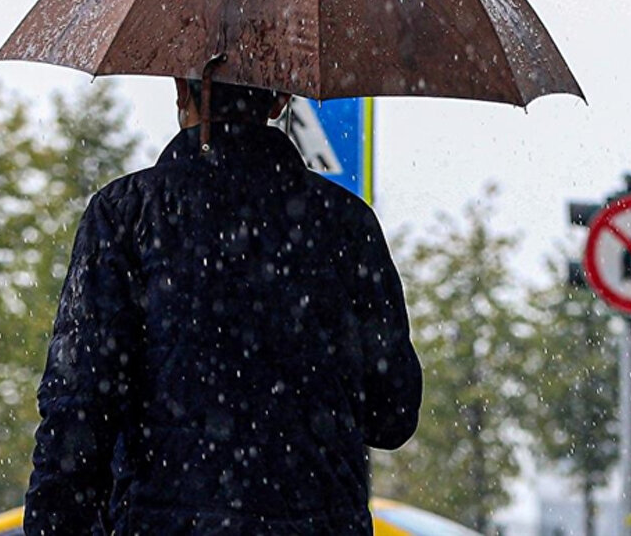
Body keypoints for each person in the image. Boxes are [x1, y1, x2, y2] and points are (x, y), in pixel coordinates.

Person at [24, 79, 422, 535]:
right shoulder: (345, 225)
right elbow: (393, 415)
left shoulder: (126, 216)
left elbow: (78, 408)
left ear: (181, 90)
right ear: (281, 98)